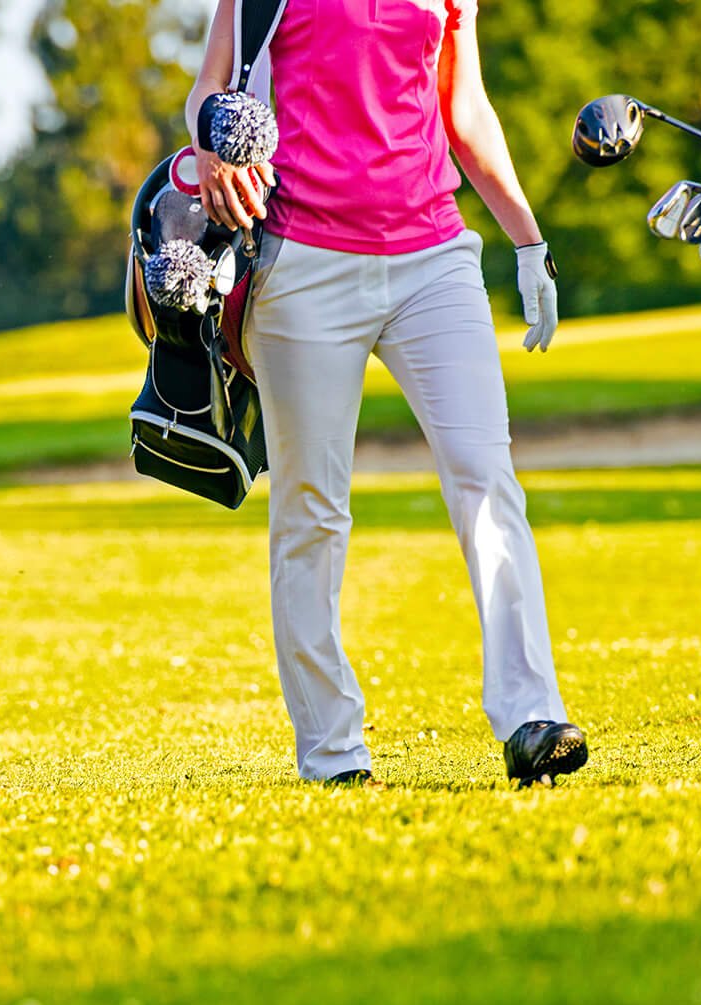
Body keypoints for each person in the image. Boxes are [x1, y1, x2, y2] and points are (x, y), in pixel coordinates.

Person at [185, 0, 588, 787]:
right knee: (311, 509)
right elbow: (209, 87)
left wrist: (527, 238)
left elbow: (462, 108)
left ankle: (531, 714)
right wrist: (211, 144)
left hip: (434, 255)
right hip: (300, 260)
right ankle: (332, 752)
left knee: (485, 475)